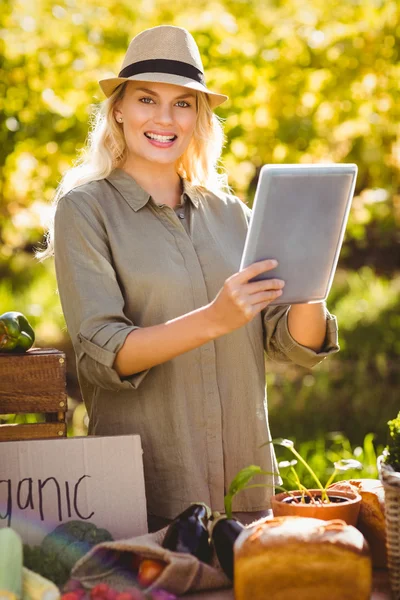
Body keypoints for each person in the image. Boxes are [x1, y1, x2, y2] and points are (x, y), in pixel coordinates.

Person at [37, 25, 339, 532]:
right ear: (118, 108)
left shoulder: (232, 214)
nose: (164, 118)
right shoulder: (85, 210)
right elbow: (102, 354)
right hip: (148, 492)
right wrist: (215, 318)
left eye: (183, 103)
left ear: (199, 117)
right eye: (147, 99)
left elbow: (292, 345)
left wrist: (314, 269)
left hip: (246, 485)